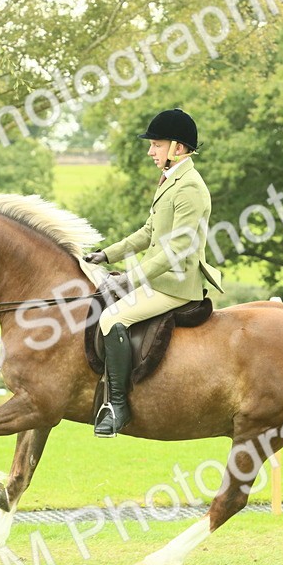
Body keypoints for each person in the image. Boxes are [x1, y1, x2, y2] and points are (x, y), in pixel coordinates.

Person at [83, 108, 225, 437]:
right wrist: (106, 254)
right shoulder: (171, 181)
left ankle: (118, 407)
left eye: (156, 145)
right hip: (159, 277)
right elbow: (148, 232)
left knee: (111, 319)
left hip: (176, 283)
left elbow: (178, 248)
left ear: (178, 147)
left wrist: (131, 278)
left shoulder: (190, 188)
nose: (150, 151)